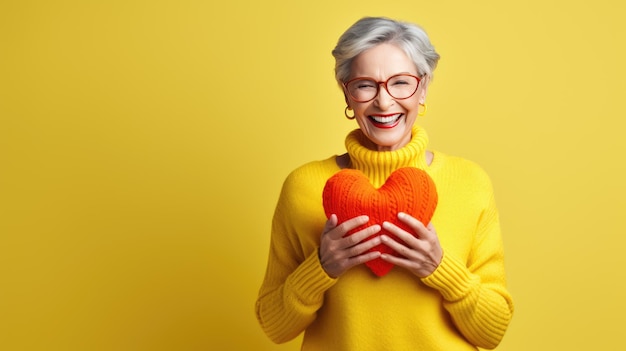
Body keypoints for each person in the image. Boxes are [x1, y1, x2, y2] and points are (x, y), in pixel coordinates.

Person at [255, 16, 514, 350]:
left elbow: (492, 333)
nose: (384, 101)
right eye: (365, 85)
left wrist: (440, 268)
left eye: (401, 82)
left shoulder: (470, 182)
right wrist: (321, 267)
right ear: (346, 93)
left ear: (423, 87)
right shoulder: (304, 185)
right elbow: (275, 328)